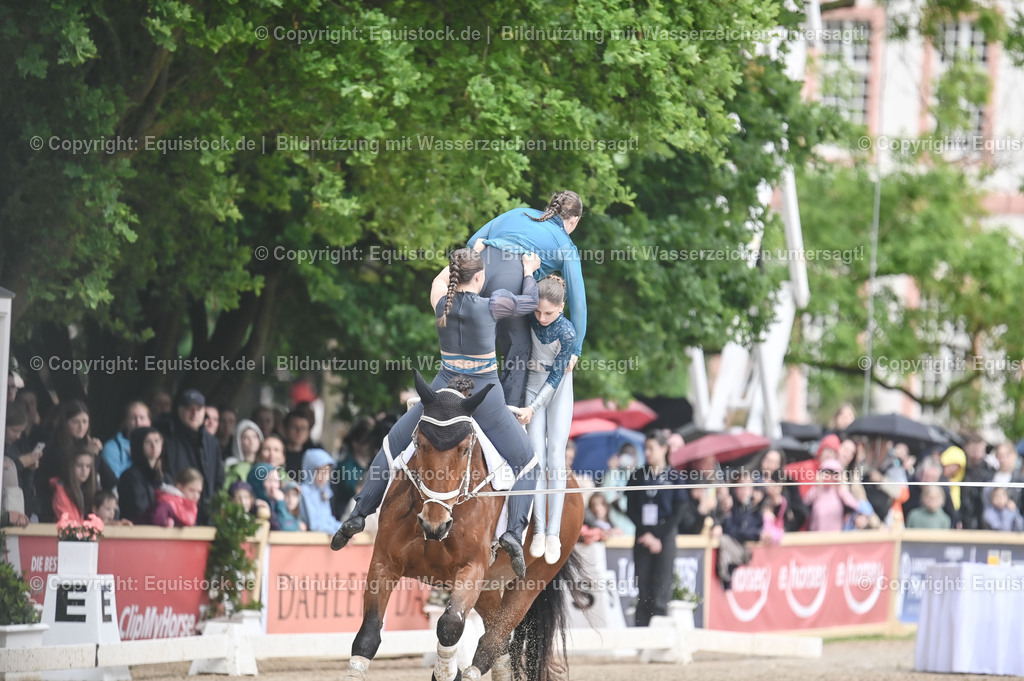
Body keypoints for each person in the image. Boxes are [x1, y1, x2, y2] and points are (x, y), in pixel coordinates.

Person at [332, 248, 543, 578]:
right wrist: (529, 269)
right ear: (480, 277)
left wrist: (472, 251)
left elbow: (438, 280)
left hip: (441, 390)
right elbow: (530, 301)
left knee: (391, 446)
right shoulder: (492, 304)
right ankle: (514, 533)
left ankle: (360, 513)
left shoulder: (440, 301)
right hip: (483, 394)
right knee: (527, 462)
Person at [467, 190, 586, 407]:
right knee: (518, 349)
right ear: (574, 220)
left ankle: (458, 404)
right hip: (509, 282)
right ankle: (508, 415)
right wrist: (576, 349)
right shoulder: (565, 245)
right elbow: (578, 300)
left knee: (473, 346)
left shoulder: (519, 212)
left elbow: (473, 241)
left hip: (476, 274)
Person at [517, 275, 576, 564]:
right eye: (538, 311)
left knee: (555, 455)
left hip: (558, 387)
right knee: (537, 456)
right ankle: (539, 529)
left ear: (561, 308)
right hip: (532, 381)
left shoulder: (567, 333)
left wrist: (532, 408)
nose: (541, 318)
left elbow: (555, 378)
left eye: (549, 313)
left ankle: (554, 532)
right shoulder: (530, 317)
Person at [625, 431, 688, 627]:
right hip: (642, 535)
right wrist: (646, 533)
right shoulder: (638, 476)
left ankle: (659, 633)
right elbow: (630, 508)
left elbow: (679, 511)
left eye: (651, 448)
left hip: (665, 536)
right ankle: (641, 632)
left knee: (662, 587)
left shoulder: (675, 477)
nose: (647, 453)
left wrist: (658, 536)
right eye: (646, 448)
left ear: (664, 449)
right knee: (643, 586)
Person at [36, 401, 116, 522]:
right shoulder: (55, 448)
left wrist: (95, 455)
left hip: (83, 508)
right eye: (75, 422)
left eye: (85, 422)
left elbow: (111, 480)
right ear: (65, 423)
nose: (81, 427)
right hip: (58, 508)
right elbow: (72, 477)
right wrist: (92, 455)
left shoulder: (86, 445)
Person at [158, 389, 225, 524]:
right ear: (179, 410)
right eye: (189, 409)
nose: (194, 413)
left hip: (207, 516)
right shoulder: (167, 439)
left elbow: (219, 479)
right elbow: (164, 474)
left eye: (198, 409)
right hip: (177, 514)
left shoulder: (212, 442)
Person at [117, 426, 169, 524]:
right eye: (148, 442)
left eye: (157, 441)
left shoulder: (165, 477)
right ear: (138, 445)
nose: (154, 446)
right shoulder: (130, 477)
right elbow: (138, 510)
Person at [4, 402, 41, 521]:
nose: (18, 436)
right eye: (14, 430)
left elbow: (23, 488)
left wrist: (29, 470)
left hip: (20, 513)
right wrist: (19, 464)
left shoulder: (15, 448)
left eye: (21, 432)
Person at [804, 459, 860, 531]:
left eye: (834, 473)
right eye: (826, 472)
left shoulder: (840, 491)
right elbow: (806, 502)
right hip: (816, 533)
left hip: (835, 534)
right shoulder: (816, 490)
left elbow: (854, 505)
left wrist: (840, 486)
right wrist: (818, 486)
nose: (830, 476)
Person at [101, 401, 151, 479]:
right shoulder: (112, 448)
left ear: (149, 422)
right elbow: (112, 481)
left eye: (142, 418)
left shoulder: (156, 446)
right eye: (133, 418)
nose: (138, 423)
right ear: (125, 422)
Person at [50, 444, 97, 524]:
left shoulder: (84, 491)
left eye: (88, 466)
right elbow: (69, 525)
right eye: (79, 465)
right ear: (70, 466)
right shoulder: (61, 493)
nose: (84, 470)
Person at [298, 448, 341, 534]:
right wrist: (338, 532)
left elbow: (329, 520)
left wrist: (346, 529)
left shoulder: (323, 491)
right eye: (319, 472)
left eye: (326, 472)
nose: (323, 477)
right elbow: (314, 525)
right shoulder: (304, 492)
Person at [248, 462, 299, 531]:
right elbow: (283, 529)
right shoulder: (252, 505)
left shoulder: (276, 503)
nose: (274, 486)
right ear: (258, 483)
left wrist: (280, 503)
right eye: (269, 480)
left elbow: (293, 528)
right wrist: (280, 503)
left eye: (276, 481)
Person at [960, 435, 995, 530]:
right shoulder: (960, 468)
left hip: (983, 520)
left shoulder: (990, 471)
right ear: (966, 448)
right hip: (963, 517)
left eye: (980, 450)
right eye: (974, 450)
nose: (977, 454)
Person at [224, 419, 264, 487]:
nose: (251, 441)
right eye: (246, 437)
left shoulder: (265, 464)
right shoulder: (230, 464)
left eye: (254, 437)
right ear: (238, 441)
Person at [282, 410, 313, 479]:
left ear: (308, 432)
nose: (299, 432)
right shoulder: (276, 454)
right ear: (285, 429)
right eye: (294, 427)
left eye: (303, 428)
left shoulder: (312, 457)